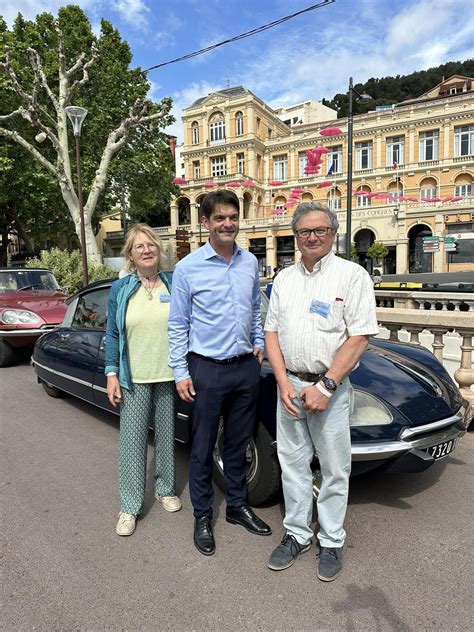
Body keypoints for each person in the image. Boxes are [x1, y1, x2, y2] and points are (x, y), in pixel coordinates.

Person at [264, 202, 378, 581]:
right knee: (293, 467)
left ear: (332, 233)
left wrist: (326, 386)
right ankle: (296, 534)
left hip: (329, 388)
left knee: (333, 469)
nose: (311, 237)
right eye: (304, 232)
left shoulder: (352, 275)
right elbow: (271, 333)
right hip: (290, 386)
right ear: (295, 237)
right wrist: (282, 382)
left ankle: (331, 540)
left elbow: (360, 335)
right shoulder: (283, 279)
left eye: (319, 230)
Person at [168, 189, 272, 556]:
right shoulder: (187, 268)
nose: (227, 223)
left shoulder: (249, 263)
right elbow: (178, 324)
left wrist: (258, 344)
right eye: (219, 218)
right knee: (202, 446)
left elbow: (256, 309)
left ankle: (238, 507)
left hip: (246, 368)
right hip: (205, 369)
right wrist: (181, 371)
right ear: (205, 223)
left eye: (232, 217)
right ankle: (202, 515)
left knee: (239, 443)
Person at [105, 224, 181, 537]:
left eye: (151, 245)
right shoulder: (120, 289)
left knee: (166, 438)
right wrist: (111, 373)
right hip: (133, 379)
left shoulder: (173, 284)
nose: (146, 250)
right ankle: (130, 506)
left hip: (169, 376)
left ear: (159, 250)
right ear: (131, 255)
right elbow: (112, 334)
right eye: (139, 247)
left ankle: (165, 489)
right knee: (132, 443)